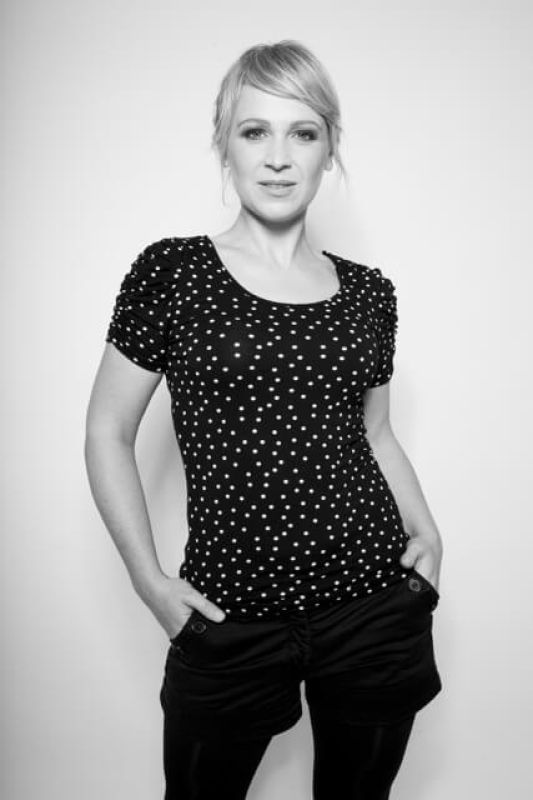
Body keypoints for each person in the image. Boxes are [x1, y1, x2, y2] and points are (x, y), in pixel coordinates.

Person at [85, 39, 443, 800]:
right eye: (255, 132)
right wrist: (150, 583)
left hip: (373, 604)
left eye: (302, 133)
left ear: (328, 149)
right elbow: (107, 432)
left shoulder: (369, 293)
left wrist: (427, 533)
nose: (278, 157)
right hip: (230, 614)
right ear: (226, 145)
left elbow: (375, 434)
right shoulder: (172, 273)